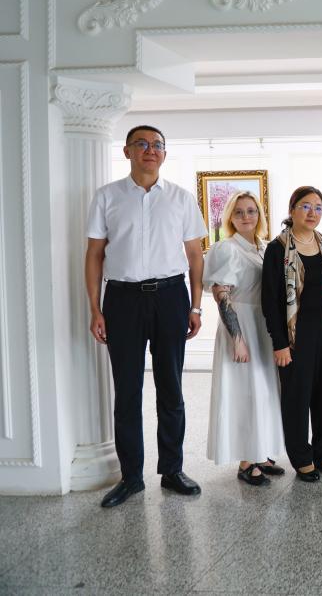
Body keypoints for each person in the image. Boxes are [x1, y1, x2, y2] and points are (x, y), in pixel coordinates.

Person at [85, 124, 207, 508]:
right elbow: (94, 255)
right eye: (141, 144)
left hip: (171, 297)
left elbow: (195, 256)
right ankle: (131, 478)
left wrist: (196, 305)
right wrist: (95, 308)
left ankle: (172, 470)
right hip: (122, 300)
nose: (150, 150)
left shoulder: (181, 199)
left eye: (157, 145)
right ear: (127, 151)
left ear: (164, 154)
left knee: (171, 388)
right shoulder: (107, 197)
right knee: (127, 391)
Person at [204, 191, 286, 486]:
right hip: (241, 325)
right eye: (238, 212)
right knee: (244, 393)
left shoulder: (263, 247)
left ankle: (259, 452)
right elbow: (221, 294)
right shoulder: (227, 248)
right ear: (230, 217)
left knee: (263, 391)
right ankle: (245, 461)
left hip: (262, 324)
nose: (246, 216)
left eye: (251, 211)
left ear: (259, 215)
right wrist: (237, 338)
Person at [261, 186, 322, 482]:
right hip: (296, 337)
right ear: (292, 209)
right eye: (306, 206)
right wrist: (280, 343)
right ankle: (301, 456)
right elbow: (270, 301)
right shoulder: (278, 248)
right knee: (297, 397)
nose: (312, 213)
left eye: (318, 207)